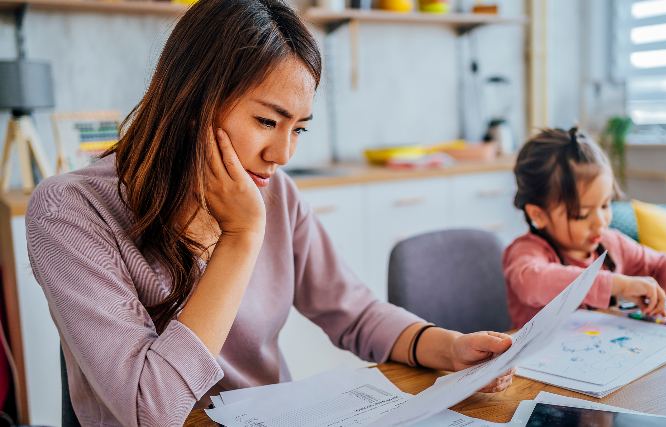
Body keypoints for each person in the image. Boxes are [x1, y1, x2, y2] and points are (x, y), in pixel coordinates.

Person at [26, 0, 515, 424]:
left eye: (298, 128)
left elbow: (355, 312)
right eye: (266, 121)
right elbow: (151, 411)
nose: (282, 154)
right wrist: (240, 238)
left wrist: (448, 348)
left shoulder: (275, 191)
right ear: (192, 102)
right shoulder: (70, 212)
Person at [502, 127, 666, 328]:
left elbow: (663, 263)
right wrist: (618, 284)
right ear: (538, 214)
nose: (601, 221)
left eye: (605, 205)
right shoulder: (525, 252)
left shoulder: (611, 243)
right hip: (535, 374)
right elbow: (533, 282)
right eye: (581, 214)